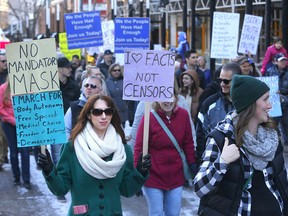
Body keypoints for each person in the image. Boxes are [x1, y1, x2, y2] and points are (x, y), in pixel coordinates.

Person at [37, 95, 151, 215]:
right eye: (97, 112)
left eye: (108, 111)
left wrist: (140, 172)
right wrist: (49, 170)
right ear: (88, 115)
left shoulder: (122, 149)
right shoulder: (72, 148)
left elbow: (127, 190)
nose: (103, 116)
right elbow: (61, 188)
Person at [194, 75, 288, 216]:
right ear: (250, 104)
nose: (270, 105)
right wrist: (223, 162)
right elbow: (200, 188)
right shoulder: (222, 139)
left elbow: (282, 183)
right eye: (265, 99)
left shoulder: (272, 136)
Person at [134, 92, 197, 216]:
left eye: (170, 97)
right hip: (153, 174)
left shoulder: (183, 115)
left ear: (176, 98)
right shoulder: (149, 118)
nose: (167, 102)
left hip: (175, 174)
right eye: (163, 98)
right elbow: (139, 147)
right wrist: (137, 173)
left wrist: (192, 163)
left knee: (173, 213)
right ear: (156, 100)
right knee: (156, 212)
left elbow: (188, 143)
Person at [196, 62, 241, 163]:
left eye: (225, 81)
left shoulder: (248, 104)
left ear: (237, 80)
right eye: (220, 80)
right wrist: (201, 159)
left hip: (241, 164)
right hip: (214, 161)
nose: (221, 84)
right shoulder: (209, 103)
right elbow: (200, 133)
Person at [0, 79, 31, 189]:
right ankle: (16, 177)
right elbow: (1, 108)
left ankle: (26, 179)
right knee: (13, 152)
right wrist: (13, 120)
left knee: (25, 151)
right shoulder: (3, 88)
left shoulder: (27, 86)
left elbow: (32, 104)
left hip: (24, 122)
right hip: (8, 124)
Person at [265, 53, 288, 148]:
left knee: (286, 124)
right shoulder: (269, 71)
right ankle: (273, 143)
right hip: (273, 103)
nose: (284, 62)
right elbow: (264, 84)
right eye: (281, 60)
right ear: (276, 61)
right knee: (272, 124)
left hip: (286, 102)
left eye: (285, 60)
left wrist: (281, 91)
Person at [105, 63, 128, 128]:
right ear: (111, 71)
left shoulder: (124, 81)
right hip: (112, 110)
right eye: (114, 70)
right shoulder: (106, 82)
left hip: (123, 111)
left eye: (118, 70)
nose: (117, 72)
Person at [0, 53, 8, 171]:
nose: (5, 63)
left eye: (6, 61)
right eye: (3, 61)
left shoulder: (9, 75)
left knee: (4, 138)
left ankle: (4, 156)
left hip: (6, 112)